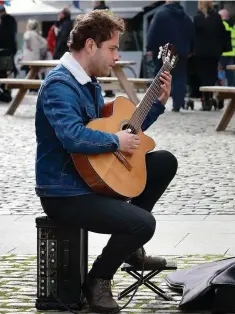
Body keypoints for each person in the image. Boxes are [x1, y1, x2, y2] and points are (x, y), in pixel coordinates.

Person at [34, 10, 175, 312]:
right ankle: (98, 279)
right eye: (112, 48)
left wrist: (158, 104)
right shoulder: (60, 85)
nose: (116, 55)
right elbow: (73, 136)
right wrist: (115, 142)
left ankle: (128, 247)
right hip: (65, 192)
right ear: (89, 46)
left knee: (163, 162)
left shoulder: (89, 82)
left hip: (92, 179)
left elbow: (122, 128)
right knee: (144, 223)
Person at [147, 0, 194, 112]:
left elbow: (152, 33)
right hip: (181, 52)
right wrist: (190, 50)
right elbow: (192, 34)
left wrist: (150, 47)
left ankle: (155, 103)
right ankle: (177, 104)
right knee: (180, 77)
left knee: (161, 77)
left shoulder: (160, 14)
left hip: (164, 51)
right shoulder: (186, 17)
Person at [192, 0, 229, 111]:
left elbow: (192, 35)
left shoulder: (196, 19)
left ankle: (205, 99)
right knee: (212, 76)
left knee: (202, 76)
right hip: (214, 53)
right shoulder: (217, 18)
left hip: (200, 53)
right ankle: (209, 97)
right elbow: (223, 35)